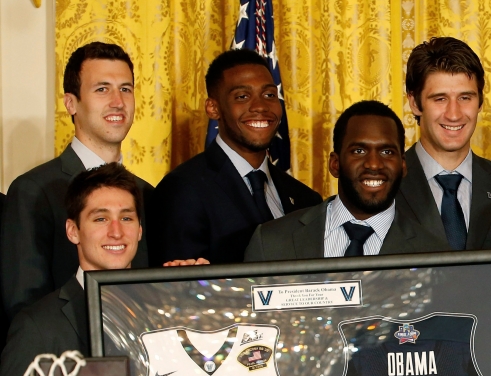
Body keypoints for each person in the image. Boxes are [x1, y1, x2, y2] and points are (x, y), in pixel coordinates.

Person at [0, 164, 204, 376]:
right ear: (73, 231)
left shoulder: (168, 309)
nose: (116, 232)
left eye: (127, 218)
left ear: (140, 230)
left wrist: (203, 296)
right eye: (100, 219)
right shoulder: (37, 327)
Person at [0, 42, 152, 321]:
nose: (117, 101)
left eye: (125, 89)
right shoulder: (33, 190)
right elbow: (24, 304)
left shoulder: (147, 193)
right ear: (71, 103)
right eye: (102, 89)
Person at [396, 37, 491, 285]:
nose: (454, 114)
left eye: (465, 97)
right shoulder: (386, 189)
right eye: (440, 98)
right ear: (415, 102)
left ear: (480, 101)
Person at [150, 49, 321, 265]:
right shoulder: (183, 189)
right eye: (242, 96)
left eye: (269, 95)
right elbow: (178, 290)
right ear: (213, 108)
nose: (260, 106)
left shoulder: (306, 199)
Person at [245, 101, 448, 260]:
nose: (374, 164)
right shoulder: (270, 242)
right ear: (335, 164)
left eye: (387, 151)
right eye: (359, 151)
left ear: (403, 166)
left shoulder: (433, 254)